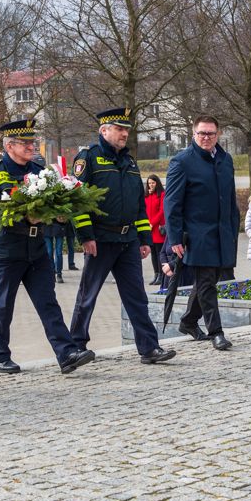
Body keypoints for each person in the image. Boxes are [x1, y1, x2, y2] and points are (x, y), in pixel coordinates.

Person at [0, 118, 95, 375]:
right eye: (25, 143)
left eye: (32, 142)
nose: (31, 147)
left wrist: (58, 216)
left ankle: (67, 353)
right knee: (3, 305)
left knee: (48, 302)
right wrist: (26, 217)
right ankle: (0, 356)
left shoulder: (38, 170)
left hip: (36, 247)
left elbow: (52, 202)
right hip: (8, 249)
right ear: (9, 146)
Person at [68, 108, 176, 365]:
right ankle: (75, 346)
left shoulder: (130, 161)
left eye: (126, 129)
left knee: (136, 296)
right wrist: (86, 236)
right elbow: (77, 201)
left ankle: (149, 348)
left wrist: (144, 239)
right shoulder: (88, 158)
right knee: (88, 295)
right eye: (119, 129)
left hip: (128, 242)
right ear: (104, 130)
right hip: (101, 240)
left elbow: (139, 204)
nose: (125, 133)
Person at [163, 115, 239, 351]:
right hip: (197, 234)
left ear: (218, 134)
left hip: (222, 232)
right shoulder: (181, 162)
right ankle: (216, 332)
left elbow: (230, 197)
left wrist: (233, 227)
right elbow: (171, 203)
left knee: (210, 279)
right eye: (202, 133)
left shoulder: (225, 160)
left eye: (211, 133)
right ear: (193, 133)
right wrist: (174, 238)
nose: (206, 137)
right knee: (206, 282)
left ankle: (188, 322)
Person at [144, 174, 166, 285]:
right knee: (153, 254)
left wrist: (152, 223)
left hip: (158, 228)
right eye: (149, 183)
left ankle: (162, 276)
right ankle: (156, 274)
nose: (151, 185)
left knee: (159, 253)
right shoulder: (147, 196)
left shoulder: (162, 194)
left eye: (153, 183)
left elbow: (162, 211)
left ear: (157, 183)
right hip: (150, 229)